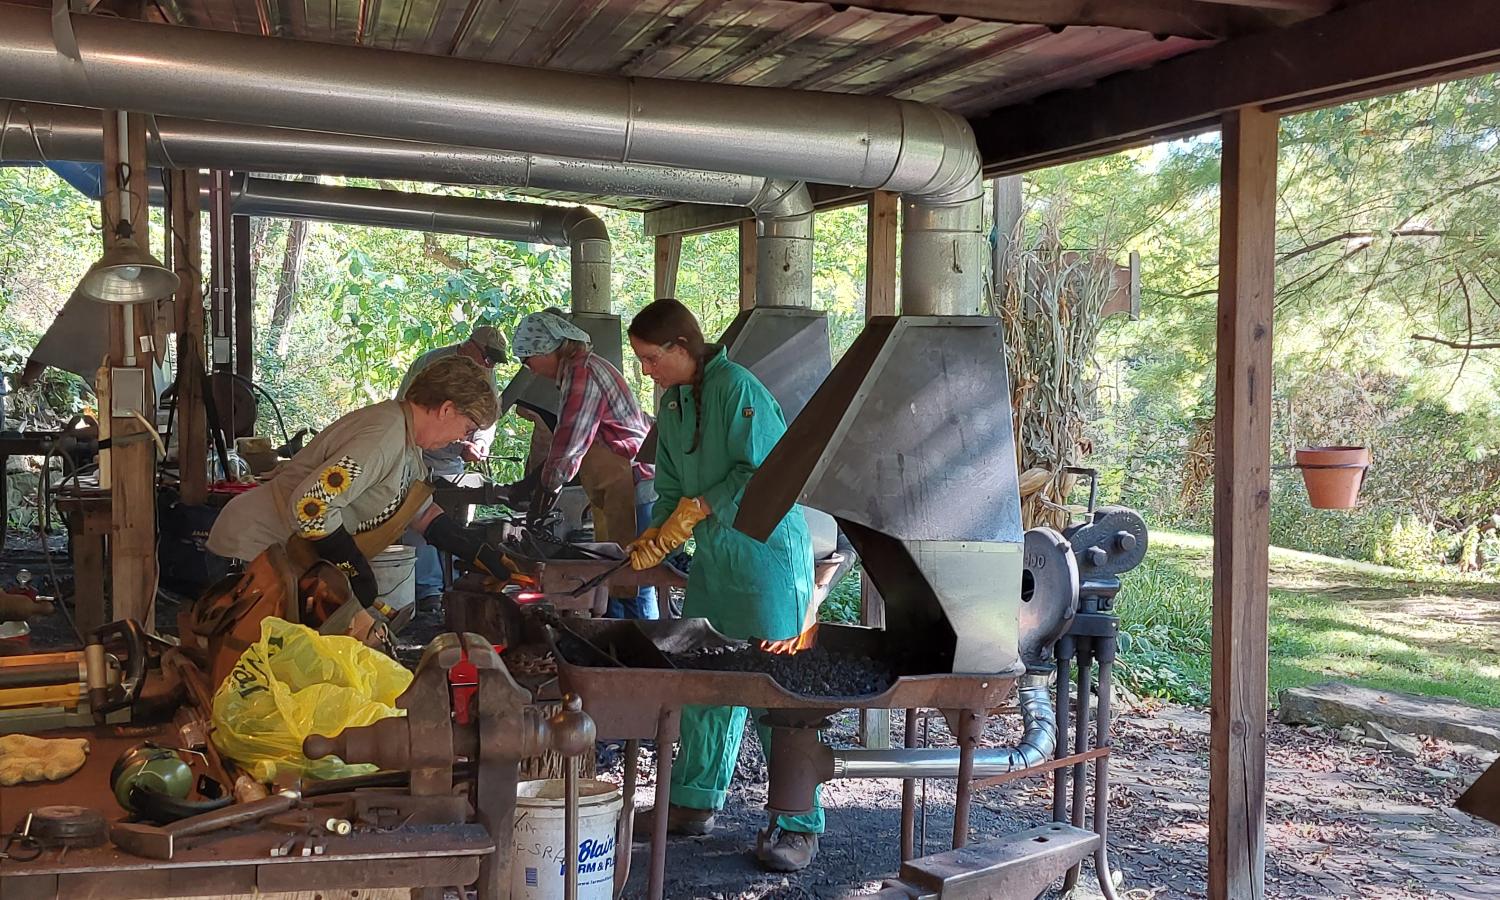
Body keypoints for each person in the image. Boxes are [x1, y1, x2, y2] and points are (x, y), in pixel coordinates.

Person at [624, 298, 822, 872]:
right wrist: (658, 535)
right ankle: (694, 801)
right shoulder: (673, 403)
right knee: (704, 681)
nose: (647, 370)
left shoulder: (738, 389)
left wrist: (703, 505)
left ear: (683, 347)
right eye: (642, 360)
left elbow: (768, 471)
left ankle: (797, 825)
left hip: (765, 558)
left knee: (777, 691)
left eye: (652, 358)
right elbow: (669, 486)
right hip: (714, 563)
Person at [203, 356, 502, 660]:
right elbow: (311, 505)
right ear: (446, 409)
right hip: (251, 552)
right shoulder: (383, 435)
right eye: (467, 428)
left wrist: (472, 547)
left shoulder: (407, 440)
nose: (462, 438)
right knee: (239, 668)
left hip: (283, 557)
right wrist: (351, 566)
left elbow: (418, 509)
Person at [511, 310, 657, 619]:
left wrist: (544, 493)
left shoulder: (583, 373)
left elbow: (569, 444)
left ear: (546, 350)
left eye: (527, 359)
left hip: (632, 483)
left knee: (633, 577)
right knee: (615, 575)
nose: (529, 368)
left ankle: (646, 644)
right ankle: (617, 641)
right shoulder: (581, 370)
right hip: (618, 486)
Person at [396, 325, 509, 607]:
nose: (489, 366)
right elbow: (411, 412)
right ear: (470, 345)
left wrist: (479, 442)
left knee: (453, 522)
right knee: (416, 522)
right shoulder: (432, 364)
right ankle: (428, 591)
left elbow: (487, 419)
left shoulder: (486, 373)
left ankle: (453, 584)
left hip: (450, 464)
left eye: (494, 362)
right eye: (486, 358)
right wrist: (458, 445)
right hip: (421, 454)